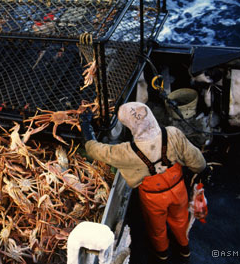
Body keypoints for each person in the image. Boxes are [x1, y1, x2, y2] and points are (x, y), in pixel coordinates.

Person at [81, 102, 206, 262]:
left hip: (153, 198)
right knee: (181, 219)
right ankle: (184, 250)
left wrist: (86, 127)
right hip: (178, 188)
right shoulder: (173, 134)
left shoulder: (127, 152)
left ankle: (162, 255)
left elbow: (96, 150)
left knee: (157, 227)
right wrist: (202, 171)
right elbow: (195, 158)